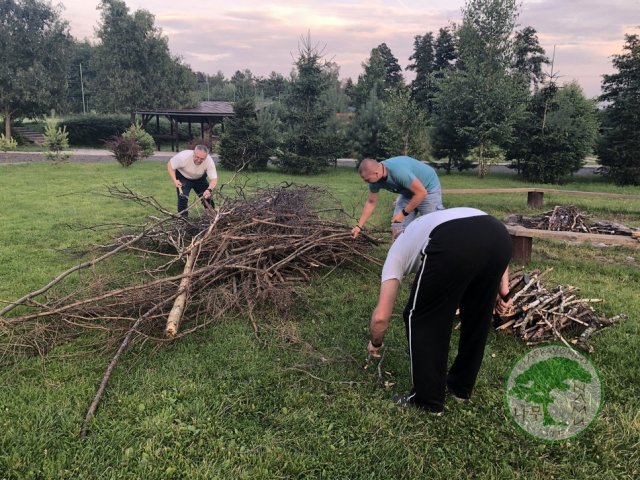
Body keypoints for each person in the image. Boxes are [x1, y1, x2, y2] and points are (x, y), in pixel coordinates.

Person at [366, 207, 513, 414]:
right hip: (499, 235)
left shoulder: (395, 254)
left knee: (420, 317)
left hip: (453, 241)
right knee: (478, 316)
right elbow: (486, 239)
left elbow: (381, 317)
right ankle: (461, 388)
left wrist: (375, 343)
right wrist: (504, 290)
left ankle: (428, 401)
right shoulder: (423, 226)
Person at [351, 156, 444, 240]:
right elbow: (371, 202)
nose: (366, 182)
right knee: (397, 226)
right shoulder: (374, 181)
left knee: (434, 226)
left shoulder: (398, 172)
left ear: (376, 173)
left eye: (367, 179)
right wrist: (359, 226)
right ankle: (401, 254)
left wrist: (403, 214)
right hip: (407, 191)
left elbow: (421, 193)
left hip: (427, 188)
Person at [166, 145, 217, 216]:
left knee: (207, 196)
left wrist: (209, 190)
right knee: (183, 198)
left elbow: (214, 179)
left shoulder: (209, 161)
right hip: (183, 177)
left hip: (200, 178)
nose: (199, 160)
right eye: (197, 157)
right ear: (193, 153)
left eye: (202, 159)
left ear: (206, 156)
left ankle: (212, 216)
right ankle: (183, 220)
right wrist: (175, 180)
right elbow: (170, 165)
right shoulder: (183, 156)